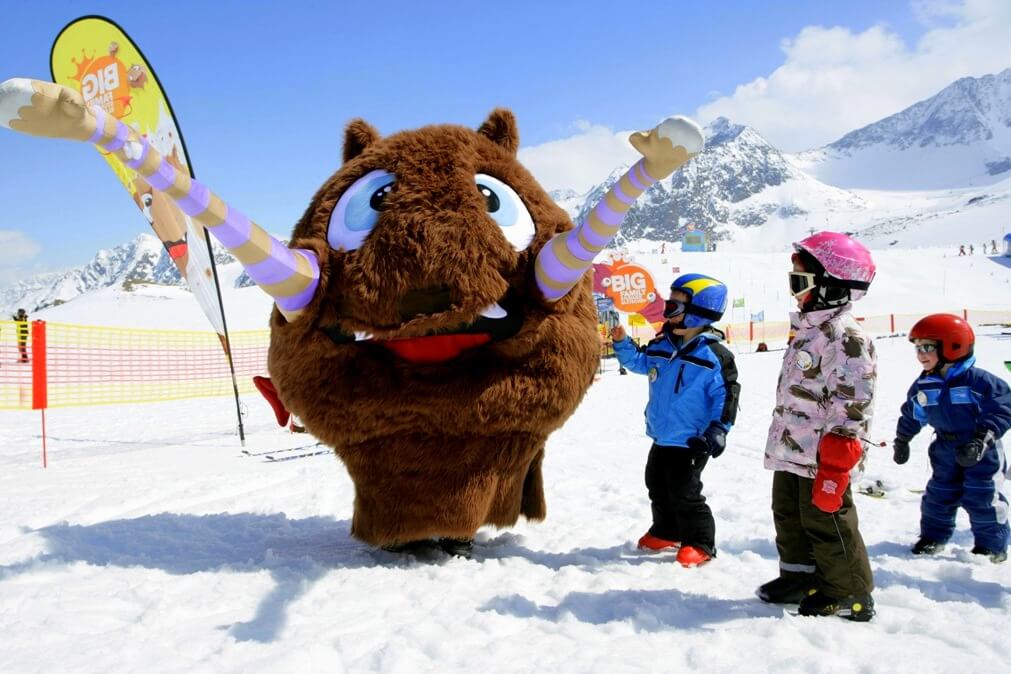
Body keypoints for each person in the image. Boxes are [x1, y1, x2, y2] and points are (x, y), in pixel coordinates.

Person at [756, 231, 877, 622]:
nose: (794, 292)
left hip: (824, 455)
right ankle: (799, 577)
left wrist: (838, 459)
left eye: (800, 282)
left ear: (831, 286)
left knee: (827, 521)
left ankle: (849, 593)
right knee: (789, 515)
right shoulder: (810, 329)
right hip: (794, 447)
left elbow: (853, 401)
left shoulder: (846, 337)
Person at [611, 273, 740, 568]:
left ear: (697, 314)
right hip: (662, 435)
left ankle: (700, 542)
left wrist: (718, 429)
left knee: (685, 492)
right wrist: (622, 343)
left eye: (674, 308)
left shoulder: (714, 357)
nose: (667, 314)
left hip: (692, 440)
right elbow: (639, 362)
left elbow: (727, 396)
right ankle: (667, 530)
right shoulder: (662, 346)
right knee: (656, 484)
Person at [892, 314, 1010, 563]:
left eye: (926, 347)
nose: (920, 354)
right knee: (939, 495)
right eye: (917, 348)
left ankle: (991, 546)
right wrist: (902, 440)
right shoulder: (925, 385)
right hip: (944, 448)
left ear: (953, 346)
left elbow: (1002, 408)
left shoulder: (979, 382)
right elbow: (913, 413)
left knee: (982, 496)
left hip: (980, 449)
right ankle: (933, 537)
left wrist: (981, 439)